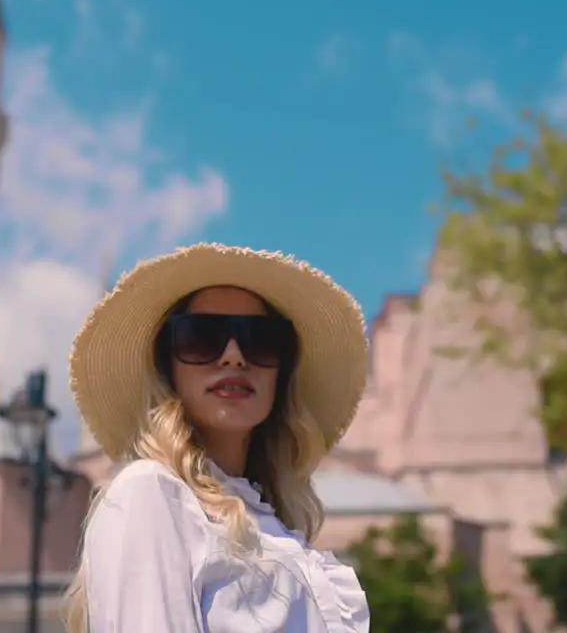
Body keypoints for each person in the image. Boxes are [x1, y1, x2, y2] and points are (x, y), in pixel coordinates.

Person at [63, 242, 371, 632]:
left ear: (282, 369)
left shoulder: (272, 525)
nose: (233, 356)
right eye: (201, 337)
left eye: (260, 340)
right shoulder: (151, 494)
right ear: (167, 366)